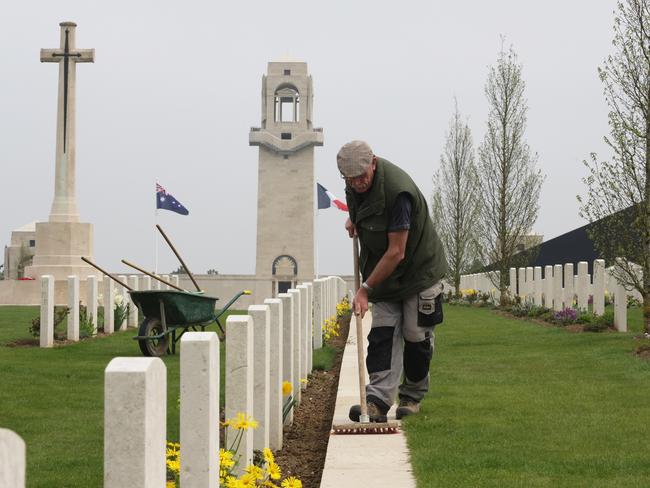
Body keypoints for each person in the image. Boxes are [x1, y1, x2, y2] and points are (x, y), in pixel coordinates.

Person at [337, 140, 447, 422]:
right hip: (384, 272)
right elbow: (365, 207)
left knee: (415, 335)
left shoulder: (399, 192)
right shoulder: (354, 185)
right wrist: (355, 219)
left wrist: (364, 289)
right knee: (383, 335)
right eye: (351, 179)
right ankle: (376, 400)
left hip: (417, 270)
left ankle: (411, 396)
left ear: (373, 162)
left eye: (362, 176)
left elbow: (396, 251)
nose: (358, 183)